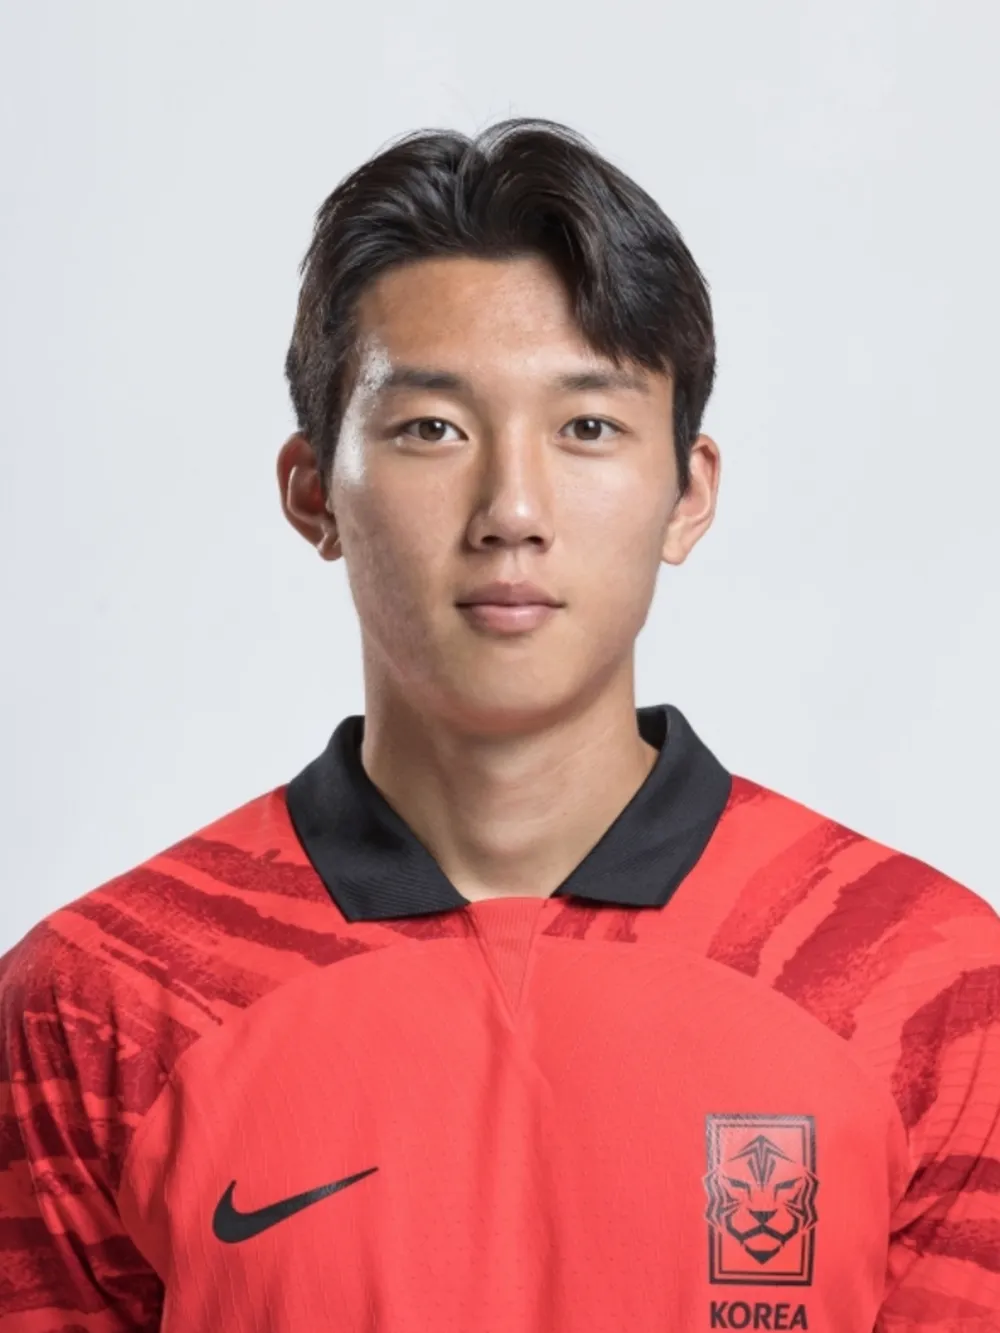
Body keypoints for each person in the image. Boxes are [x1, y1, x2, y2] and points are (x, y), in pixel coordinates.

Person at [1, 117, 997, 1333]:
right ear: (313, 492)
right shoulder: (106, 998)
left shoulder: (920, 983)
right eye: (432, 427)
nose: (511, 508)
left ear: (686, 496)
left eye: (587, 427)